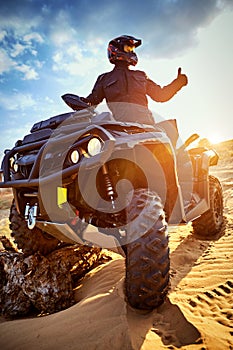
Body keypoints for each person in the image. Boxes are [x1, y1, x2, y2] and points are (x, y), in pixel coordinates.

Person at [82, 35, 188, 125]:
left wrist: (178, 83)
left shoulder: (141, 75)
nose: (132, 52)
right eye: (128, 48)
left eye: (132, 49)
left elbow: (160, 95)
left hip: (147, 128)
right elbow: (91, 102)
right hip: (120, 131)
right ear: (116, 50)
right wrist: (79, 102)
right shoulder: (104, 79)